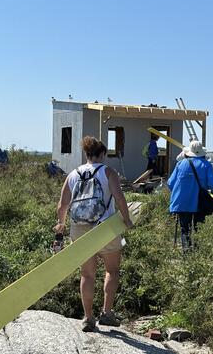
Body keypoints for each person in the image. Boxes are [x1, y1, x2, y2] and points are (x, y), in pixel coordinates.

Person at [55, 136, 134, 332]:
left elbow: (62, 205)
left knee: (87, 274)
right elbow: (119, 197)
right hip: (105, 227)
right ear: (102, 154)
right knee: (112, 270)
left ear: (86, 154)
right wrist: (127, 220)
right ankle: (106, 313)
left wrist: (61, 224)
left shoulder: (73, 174)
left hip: (79, 227)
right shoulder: (107, 172)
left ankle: (88, 318)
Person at [168, 141, 213, 252]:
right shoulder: (206, 165)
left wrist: (180, 192)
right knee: (198, 228)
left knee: (185, 228)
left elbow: (170, 183)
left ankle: (186, 253)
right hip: (199, 202)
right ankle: (197, 251)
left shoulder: (180, 164)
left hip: (182, 202)